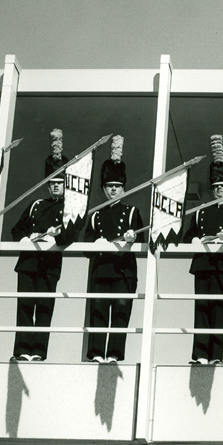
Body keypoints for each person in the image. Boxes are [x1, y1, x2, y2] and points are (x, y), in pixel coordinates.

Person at [9, 128, 72, 361]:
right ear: (47, 185)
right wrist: (24, 239)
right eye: (52, 183)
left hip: (50, 262)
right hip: (28, 261)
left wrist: (57, 238)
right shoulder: (36, 204)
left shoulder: (69, 208)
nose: (56, 187)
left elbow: (72, 232)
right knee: (25, 306)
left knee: (44, 307)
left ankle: (39, 352)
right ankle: (22, 349)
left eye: (60, 183)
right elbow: (17, 228)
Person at [185, 134, 223, 365]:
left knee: (219, 309)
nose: (219, 191)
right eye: (216, 187)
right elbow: (188, 235)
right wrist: (196, 239)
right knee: (201, 308)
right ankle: (199, 354)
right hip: (203, 265)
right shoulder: (201, 212)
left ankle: (216, 355)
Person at [84, 136, 143, 363]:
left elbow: (141, 239)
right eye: (109, 187)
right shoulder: (96, 214)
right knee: (98, 310)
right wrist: (95, 243)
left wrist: (131, 237)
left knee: (120, 311)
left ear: (123, 188)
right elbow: (86, 247)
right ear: (104, 188)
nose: (113, 191)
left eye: (117, 187)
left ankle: (115, 354)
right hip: (101, 269)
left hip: (123, 270)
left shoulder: (131, 211)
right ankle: (97, 352)